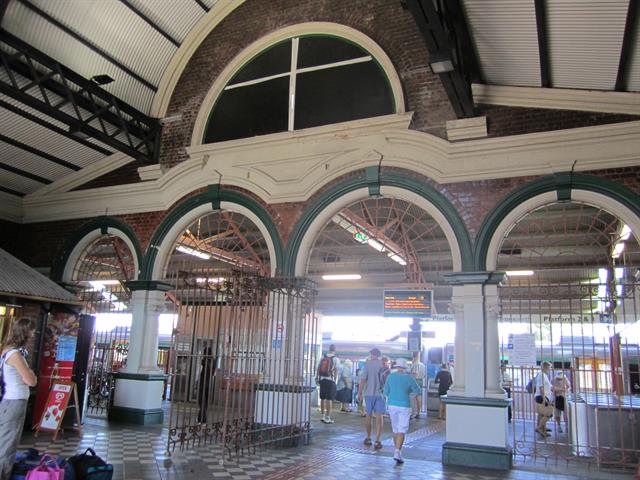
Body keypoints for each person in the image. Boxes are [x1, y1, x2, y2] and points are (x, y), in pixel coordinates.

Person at [0, 318, 37, 480]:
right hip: (15, 403)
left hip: (10, 402)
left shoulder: (8, 351)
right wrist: (32, 376)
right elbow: (31, 380)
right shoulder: (15, 355)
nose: (34, 335)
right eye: (32, 332)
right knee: (7, 446)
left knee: (4, 441)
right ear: (25, 333)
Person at [383, 358, 421, 464]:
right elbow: (417, 390)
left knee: (395, 429)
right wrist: (409, 393)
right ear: (405, 367)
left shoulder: (390, 377)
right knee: (402, 430)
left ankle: (398, 453)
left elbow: (386, 391)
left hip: (392, 405)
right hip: (404, 404)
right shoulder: (409, 378)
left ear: (396, 367)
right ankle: (397, 451)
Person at [358, 347, 386, 450]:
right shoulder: (382, 364)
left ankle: (369, 437)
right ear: (379, 354)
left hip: (368, 393)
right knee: (379, 417)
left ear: (371, 354)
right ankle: (378, 440)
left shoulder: (368, 364)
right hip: (380, 394)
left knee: (368, 416)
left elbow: (363, 379)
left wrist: (360, 392)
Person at [316, 344, 338, 424]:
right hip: (330, 380)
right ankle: (328, 417)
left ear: (329, 349)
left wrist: (317, 377)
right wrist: (335, 380)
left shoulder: (323, 357)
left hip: (322, 379)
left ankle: (322, 416)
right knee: (329, 399)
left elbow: (318, 368)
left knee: (322, 398)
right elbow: (336, 370)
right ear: (335, 350)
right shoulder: (335, 359)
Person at [197, 346, 216, 424]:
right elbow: (213, 373)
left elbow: (199, 370)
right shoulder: (214, 361)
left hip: (202, 382)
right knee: (205, 401)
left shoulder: (204, 361)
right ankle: (202, 418)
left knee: (201, 401)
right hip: (209, 382)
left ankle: (201, 419)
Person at [534, 361, 553, 437]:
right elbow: (541, 387)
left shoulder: (544, 375)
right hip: (542, 397)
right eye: (549, 367)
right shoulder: (541, 375)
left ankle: (542, 428)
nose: (550, 369)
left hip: (543, 396)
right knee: (548, 414)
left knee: (542, 414)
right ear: (545, 367)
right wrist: (544, 398)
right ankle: (539, 428)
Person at [410, 352, 426, 419]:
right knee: (419, 397)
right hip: (420, 381)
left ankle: (412, 413)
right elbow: (424, 375)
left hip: (415, 381)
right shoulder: (423, 365)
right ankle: (418, 413)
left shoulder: (415, 364)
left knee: (412, 398)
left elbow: (414, 374)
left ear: (414, 357)